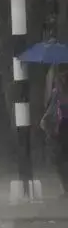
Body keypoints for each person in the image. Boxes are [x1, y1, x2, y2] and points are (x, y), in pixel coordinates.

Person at [40, 66, 68, 197]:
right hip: (59, 129)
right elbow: (51, 108)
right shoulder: (57, 91)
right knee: (59, 158)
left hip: (61, 129)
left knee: (59, 159)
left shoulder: (58, 90)